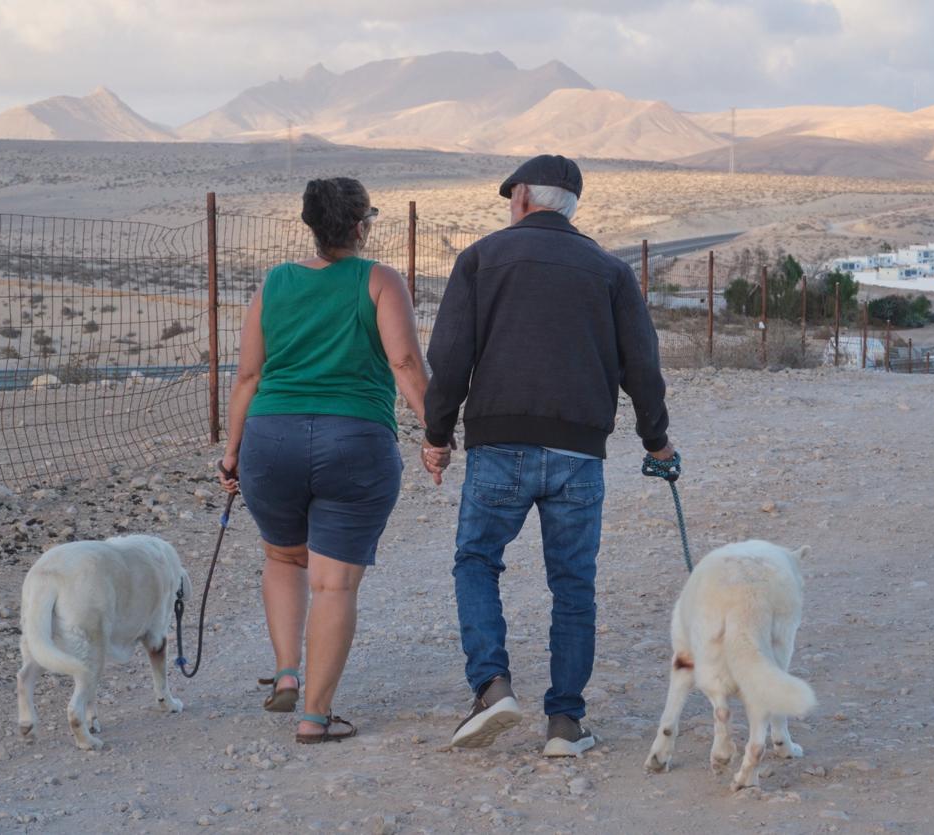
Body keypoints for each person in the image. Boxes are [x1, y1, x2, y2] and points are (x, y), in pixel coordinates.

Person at [422, 154, 676, 756]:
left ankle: (492, 686)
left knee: (477, 561)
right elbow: (643, 365)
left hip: (498, 446)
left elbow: (451, 354)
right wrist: (656, 439)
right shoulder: (611, 271)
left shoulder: (481, 258)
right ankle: (564, 723)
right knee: (573, 585)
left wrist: (438, 435)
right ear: (572, 206)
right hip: (579, 453)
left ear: (522, 201)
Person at [218, 177, 432, 743]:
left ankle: (287, 671)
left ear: (312, 225)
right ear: (362, 226)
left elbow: (247, 376)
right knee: (334, 586)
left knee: (285, 558)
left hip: (271, 438)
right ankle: (315, 715)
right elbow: (405, 363)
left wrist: (233, 451)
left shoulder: (276, 282)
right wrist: (436, 433)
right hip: (355, 440)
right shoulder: (380, 281)